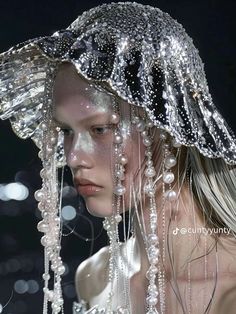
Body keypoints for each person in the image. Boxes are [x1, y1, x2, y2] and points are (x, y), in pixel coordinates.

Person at [0, 2, 236, 314]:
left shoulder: (229, 291)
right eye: (66, 131)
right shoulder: (95, 276)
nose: (73, 157)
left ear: (170, 128)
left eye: (99, 129)